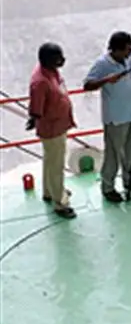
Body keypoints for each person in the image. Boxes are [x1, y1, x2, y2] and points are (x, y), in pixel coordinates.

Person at [84, 31, 131, 202]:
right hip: (115, 118)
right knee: (113, 155)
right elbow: (87, 84)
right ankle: (108, 187)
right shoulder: (102, 64)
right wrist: (106, 80)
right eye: (127, 49)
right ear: (116, 50)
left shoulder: (129, 57)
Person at [27, 42, 76, 219]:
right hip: (52, 128)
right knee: (57, 165)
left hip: (59, 124)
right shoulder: (40, 82)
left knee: (50, 161)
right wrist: (33, 119)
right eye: (58, 58)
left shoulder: (51, 71)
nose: (62, 60)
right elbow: (36, 107)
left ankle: (50, 191)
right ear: (47, 60)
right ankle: (60, 203)